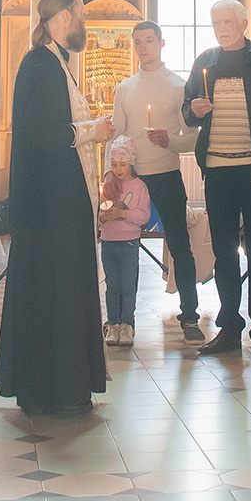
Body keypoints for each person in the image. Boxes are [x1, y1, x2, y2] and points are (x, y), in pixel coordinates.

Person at [0, 0, 113, 416]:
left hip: (59, 203)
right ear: (63, 16)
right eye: (79, 13)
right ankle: (52, 388)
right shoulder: (42, 65)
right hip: (50, 208)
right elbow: (47, 134)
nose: (82, 22)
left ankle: (65, 385)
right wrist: (93, 131)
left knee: (62, 290)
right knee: (54, 293)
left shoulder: (55, 62)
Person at [183, 0, 251, 359]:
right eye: (216, 21)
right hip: (217, 169)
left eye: (228, 21)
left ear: (243, 23)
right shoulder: (205, 62)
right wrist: (193, 111)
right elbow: (188, 109)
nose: (222, 27)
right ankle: (229, 329)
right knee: (224, 252)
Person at [109, 21, 204, 342]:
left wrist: (169, 142)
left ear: (162, 43)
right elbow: (118, 135)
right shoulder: (125, 88)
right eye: (137, 42)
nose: (143, 47)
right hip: (132, 178)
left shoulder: (178, 86)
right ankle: (123, 321)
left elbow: (191, 138)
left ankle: (189, 316)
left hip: (165, 175)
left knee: (179, 244)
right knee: (122, 247)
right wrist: (112, 174)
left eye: (149, 40)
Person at [99, 137, 150, 348]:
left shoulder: (139, 187)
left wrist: (122, 213)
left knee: (128, 285)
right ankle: (113, 324)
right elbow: (97, 212)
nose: (118, 169)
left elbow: (143, 216)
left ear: (131, 163)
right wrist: (103, 216)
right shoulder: (108, 186)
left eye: (122, 164)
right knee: (112, 285)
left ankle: (127, 324)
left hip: (129, 243)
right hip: (109, 242)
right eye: (114, 164)